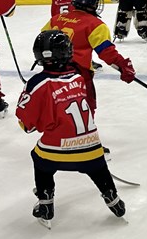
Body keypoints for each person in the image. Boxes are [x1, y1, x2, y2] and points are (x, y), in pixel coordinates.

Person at [16, 30, 126, 228]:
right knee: (98, 168)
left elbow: (27, 122)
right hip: (92, 147)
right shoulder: (78, 77)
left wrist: (31, 124)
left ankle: (45, 203)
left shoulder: (38, 83)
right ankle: (113, 198)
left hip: (56, 152)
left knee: (39, 160)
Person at [43, 0, 135, 111]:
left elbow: (42, 41)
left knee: (54, 110)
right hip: (79, 75)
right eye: (96, 1)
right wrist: (123, 65)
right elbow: (106, 52)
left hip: (51, 73)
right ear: (90, 3)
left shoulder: (56, 19)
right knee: (85, 111)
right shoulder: (95, 25)